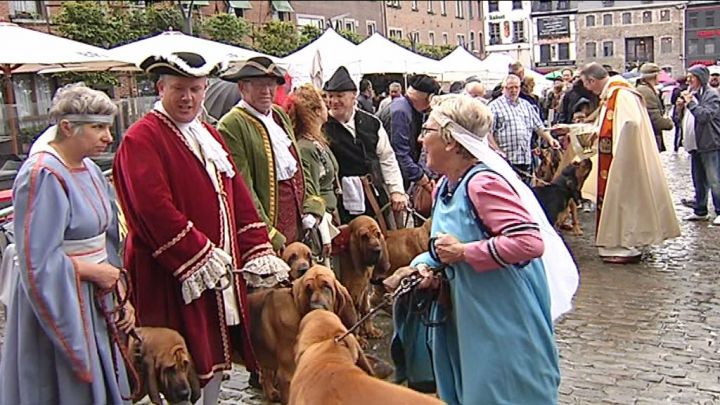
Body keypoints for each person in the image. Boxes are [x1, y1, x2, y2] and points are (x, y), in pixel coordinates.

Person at [113, 52, 290, 404]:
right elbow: (151, 208)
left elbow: (236, 193)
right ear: (160, 88)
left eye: (195, 89)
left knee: (212, 355)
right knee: (176, 361)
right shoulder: (142, 138)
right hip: (173, 274)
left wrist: (257, 247)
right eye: (178, 89)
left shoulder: (208, 133)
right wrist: (200, 254)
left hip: (217, 273)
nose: (187, 98)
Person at [395, 94, 577, 404]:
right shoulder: (445, 187)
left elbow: (529, 241)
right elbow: (444, 247)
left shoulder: (482, 184)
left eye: (428, 130)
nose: (420, 138)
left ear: (451, 141)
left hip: (500, 317)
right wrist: (426, 264)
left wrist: (466, 253)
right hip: (467, 316)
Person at [0, 83, 133, 404]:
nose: (108, 136)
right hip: (60, 300)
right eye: (97, 127)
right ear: (67, 127)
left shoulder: (90, 169)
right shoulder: (42, 174)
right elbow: (37, 261)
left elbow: (107, 237)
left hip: (96, 296)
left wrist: (119, 290)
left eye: (107, 126)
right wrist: (92, 272)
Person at [217, 56, 326, 253]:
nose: (267, 91)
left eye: (271, 85)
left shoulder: (279, 114)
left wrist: (311, 206)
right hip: (272, 227)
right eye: (260, 85)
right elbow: (243, 187)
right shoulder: (232, 124)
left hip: (300, 222)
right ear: (243, 87)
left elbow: (298, 166)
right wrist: (269, 232)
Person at [578, 62, 680, 263]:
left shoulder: (621, 95)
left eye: (586, 84)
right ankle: (616, 243)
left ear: (592, 80)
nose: (586, 89)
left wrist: (618, 149)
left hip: (623, 160)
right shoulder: (612, 95)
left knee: (624, 202)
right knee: (618, 203)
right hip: (617, 158)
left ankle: (624, 244)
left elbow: (629, 124)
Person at [322, 66, 407, 226]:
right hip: (339, 202)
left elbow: (387, 158)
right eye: (330, 96)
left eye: (339, 96)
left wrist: (396, 190)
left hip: (373, 196)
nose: (333, 101)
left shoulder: (372, 123)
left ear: (354, 96)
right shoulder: (323, 126)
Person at [285, 84, 339, 260]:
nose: (328, 106)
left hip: (331, 217)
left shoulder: (315, 142)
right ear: (316, 111)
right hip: (321, 224)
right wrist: (323, 232)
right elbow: (311, 191)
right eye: (323, 103)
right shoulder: (306, 148)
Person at [488, 74, 560, 184]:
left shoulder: (526, 105)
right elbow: (488, 133)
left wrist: (550, 139)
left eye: (516, 87)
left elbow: (539, 127)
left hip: (525, 159)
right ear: (503, 89)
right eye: (510, 88)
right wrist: (497, 151)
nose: (514, 90)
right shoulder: (494, 107)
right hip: (506, 160)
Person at [378, 74, 440, 190]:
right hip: (389, 179)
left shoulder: (403, 107)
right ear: (430, 98)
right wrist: (421, 178)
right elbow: (399, 153)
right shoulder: (401, 112)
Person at [682, 64, 720, 226]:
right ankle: (700, 210)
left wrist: (691, 104)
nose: (688, 80)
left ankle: (719, 210)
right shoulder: (692, 93)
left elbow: (705, 116)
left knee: (714, 179)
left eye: (692, 77)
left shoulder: (712, 95)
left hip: (709, 143)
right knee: (698, 179)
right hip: (695, 145)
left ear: (701, 78)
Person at [635, 63, 674, 152]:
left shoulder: (646, 89)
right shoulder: (646, 92)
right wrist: (669, 123)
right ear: (655, 75)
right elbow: (654, 119)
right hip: (649, 137)